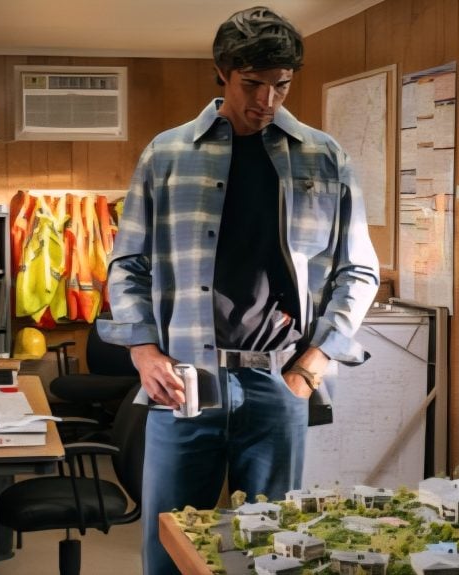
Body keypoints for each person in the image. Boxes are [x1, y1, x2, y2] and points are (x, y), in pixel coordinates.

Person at [96, 6, 379, 573]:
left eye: (282, 85)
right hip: (182, 379)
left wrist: (313, 363)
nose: (267, 101)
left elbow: (359, 270)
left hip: (279, 379)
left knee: (273, 554)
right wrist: (142, 349)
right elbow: (127, 263)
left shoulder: (325, 158)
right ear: (222, 73)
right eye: (253, 84)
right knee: (170, 550)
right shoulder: (167, 154)